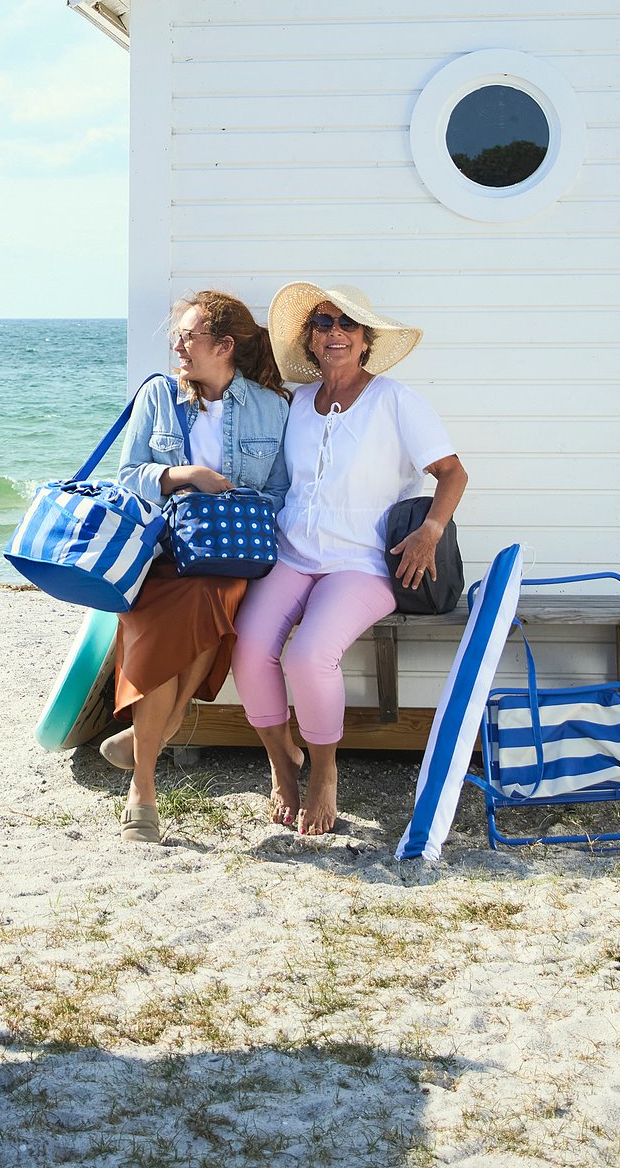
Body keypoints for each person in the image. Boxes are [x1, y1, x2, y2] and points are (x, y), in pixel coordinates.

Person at [232, 283, 468, 837]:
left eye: (346, 324)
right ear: (310, 342)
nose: (334, 332)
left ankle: (323, 774)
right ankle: (281, 761)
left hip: (361, 563)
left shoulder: (395, 400)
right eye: (322, 324)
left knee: (309, 656)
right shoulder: (297, 407)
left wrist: (430, 532)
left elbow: (453, 473)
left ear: (365, 340)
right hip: (293, 555)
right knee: (247, 649)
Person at [106, 291, 291, 843]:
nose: (177, 345)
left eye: (188, 336)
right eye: (177, 335)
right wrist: (186, 476)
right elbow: (127, 476)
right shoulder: (157, 397)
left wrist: (236, 509)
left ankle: (145, 767)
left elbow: (281, 491)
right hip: (164, 551)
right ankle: (145, 776)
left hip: (231, 555)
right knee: (182, 611)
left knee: (210, 598)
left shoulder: (270, 407)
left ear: (224, 346)